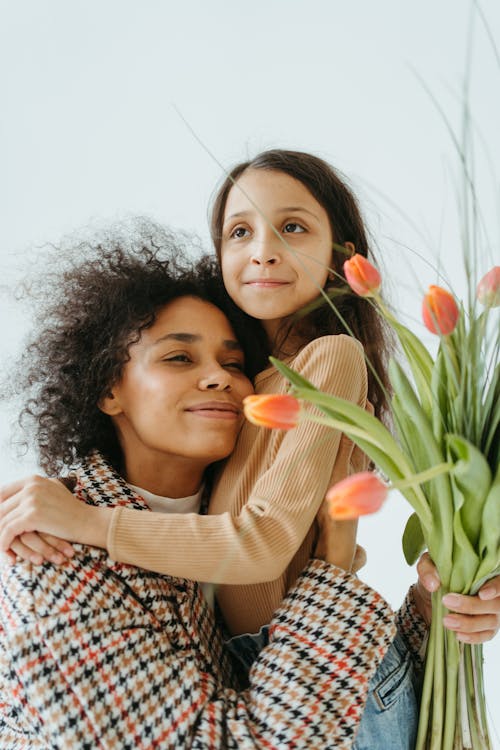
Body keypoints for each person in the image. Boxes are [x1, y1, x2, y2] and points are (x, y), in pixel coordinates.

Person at [2, 154, 500, 747]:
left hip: (335, 683)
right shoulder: (61, 567)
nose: (218, 380)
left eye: (231, 364)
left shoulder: (327, 361)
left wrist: (436, 607)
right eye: (240, 232)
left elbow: (268, 550)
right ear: (107, 388)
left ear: (343, 256)